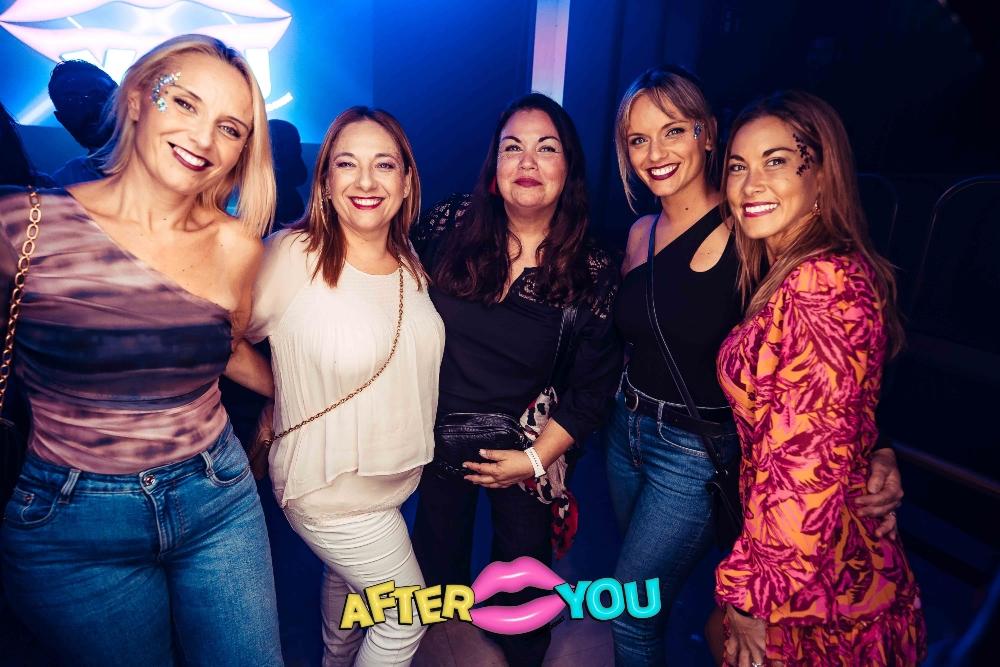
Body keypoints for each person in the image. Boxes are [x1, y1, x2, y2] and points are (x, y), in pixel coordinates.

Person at [603, 66, 906, 665]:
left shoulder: (752, 234)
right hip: (627, 431)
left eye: (674, 130)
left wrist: (880, 445)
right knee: (651, 598)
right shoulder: (644, 233)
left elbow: (835, 373)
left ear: (706, 133)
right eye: (638, 139)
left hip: (693, 453)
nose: (656, 153)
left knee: (631, 609)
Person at [0, 35, 282, 666]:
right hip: (72, 522)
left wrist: (302, 393)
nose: (203, 139)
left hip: (216, 495)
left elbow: (223, 348)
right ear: (134, 98)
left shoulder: (238, 245)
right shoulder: (23, 227)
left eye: (229, 128)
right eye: (184, 103)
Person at [715, 90, 926, 666]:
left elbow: (802, 468)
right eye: (739, 166)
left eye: (777, 161)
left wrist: (751, 595)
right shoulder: (793, 273)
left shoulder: (822, 284)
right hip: (811, 567)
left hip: (817, 591)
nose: (752, 184)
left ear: (821, 174)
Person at [410, 92, 621, 667]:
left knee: (523, 601)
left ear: (568, 167)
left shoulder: (591, 270)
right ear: (494, 164)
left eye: (546, 148)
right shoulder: (449, 224)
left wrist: (531, 461)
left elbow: (592, 391)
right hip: (433, 440)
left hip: (528, 446)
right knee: (435, 584)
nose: (527, 162)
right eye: (512, 148)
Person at [244, 106, 443, 666]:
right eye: (347, 164)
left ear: (406, 182)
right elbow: (223, 338)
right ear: (326, 181)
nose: (366, 181)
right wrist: (281, 389)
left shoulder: (408, 258)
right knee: (405, 617)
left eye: (384, 164)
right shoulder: (293, 255)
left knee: (349, 588)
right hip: (328, 486)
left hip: (392, 481)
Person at [47, 60, 118, 186]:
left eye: (98, 95)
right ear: (61, 119)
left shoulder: (158, 152)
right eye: (71, 101)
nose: (89, 108)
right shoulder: (63, 185)